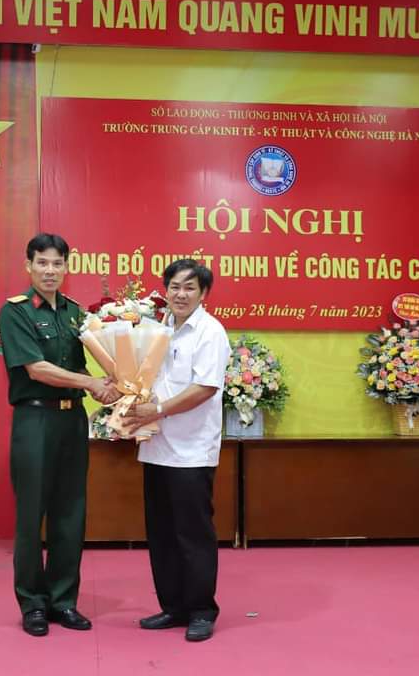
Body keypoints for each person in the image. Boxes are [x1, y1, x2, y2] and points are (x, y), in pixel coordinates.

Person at [0, 233, 118, 637]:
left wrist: (113, 384)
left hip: (72, 422)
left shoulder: (75, 313)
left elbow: (81, 366)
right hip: (35, 421)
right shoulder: (15, 312)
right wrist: (91, 383)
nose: (50, 271)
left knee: (71, 512)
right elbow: (37, 369)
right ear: (28, 266)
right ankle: (33, 603)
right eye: (42, 263)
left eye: (57, 263)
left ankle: (64, 600)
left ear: (67, 267)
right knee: (32, 514)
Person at [121, 258, 230, 643]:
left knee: (192, 533)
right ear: (165, 290)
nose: (180, 294)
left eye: (189, 288)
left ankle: (201, 610)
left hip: (191, 450)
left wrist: (159, 409)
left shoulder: (210, 332)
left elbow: (205, 388)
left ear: (203, 293)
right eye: (174, 287)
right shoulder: (158, 329)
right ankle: (173, 606)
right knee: (162, 532)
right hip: (156, 444)